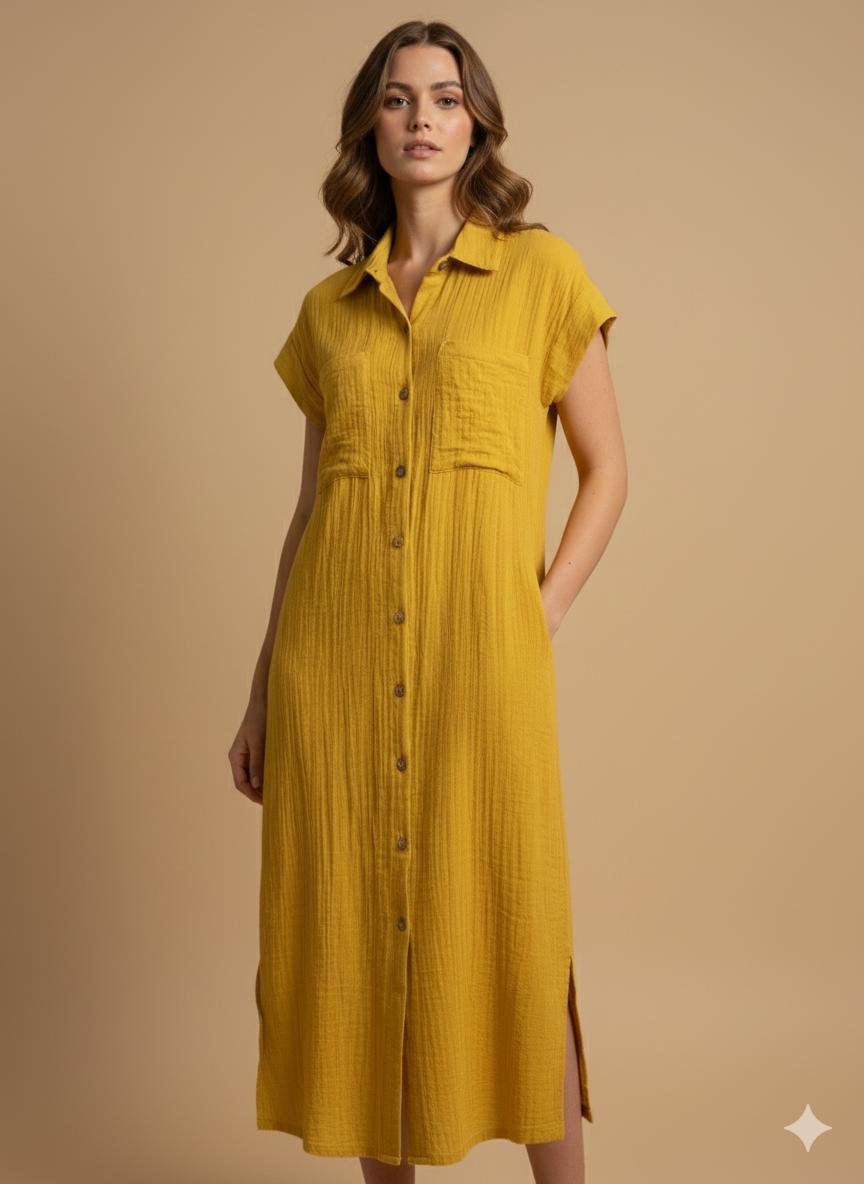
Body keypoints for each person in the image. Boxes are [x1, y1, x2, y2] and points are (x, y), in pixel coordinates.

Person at [229, 19, 627, 1183]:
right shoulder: (329, 314)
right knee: (354, 943)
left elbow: (609, 469)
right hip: (333, 671)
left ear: (477, 124)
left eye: (445, 98)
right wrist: (260, 692)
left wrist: (542, 609)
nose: (421, 118)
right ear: (371, 125)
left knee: (513, 930)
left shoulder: (542, 274)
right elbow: (312, 511)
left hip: (481, 661)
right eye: (399, 99)